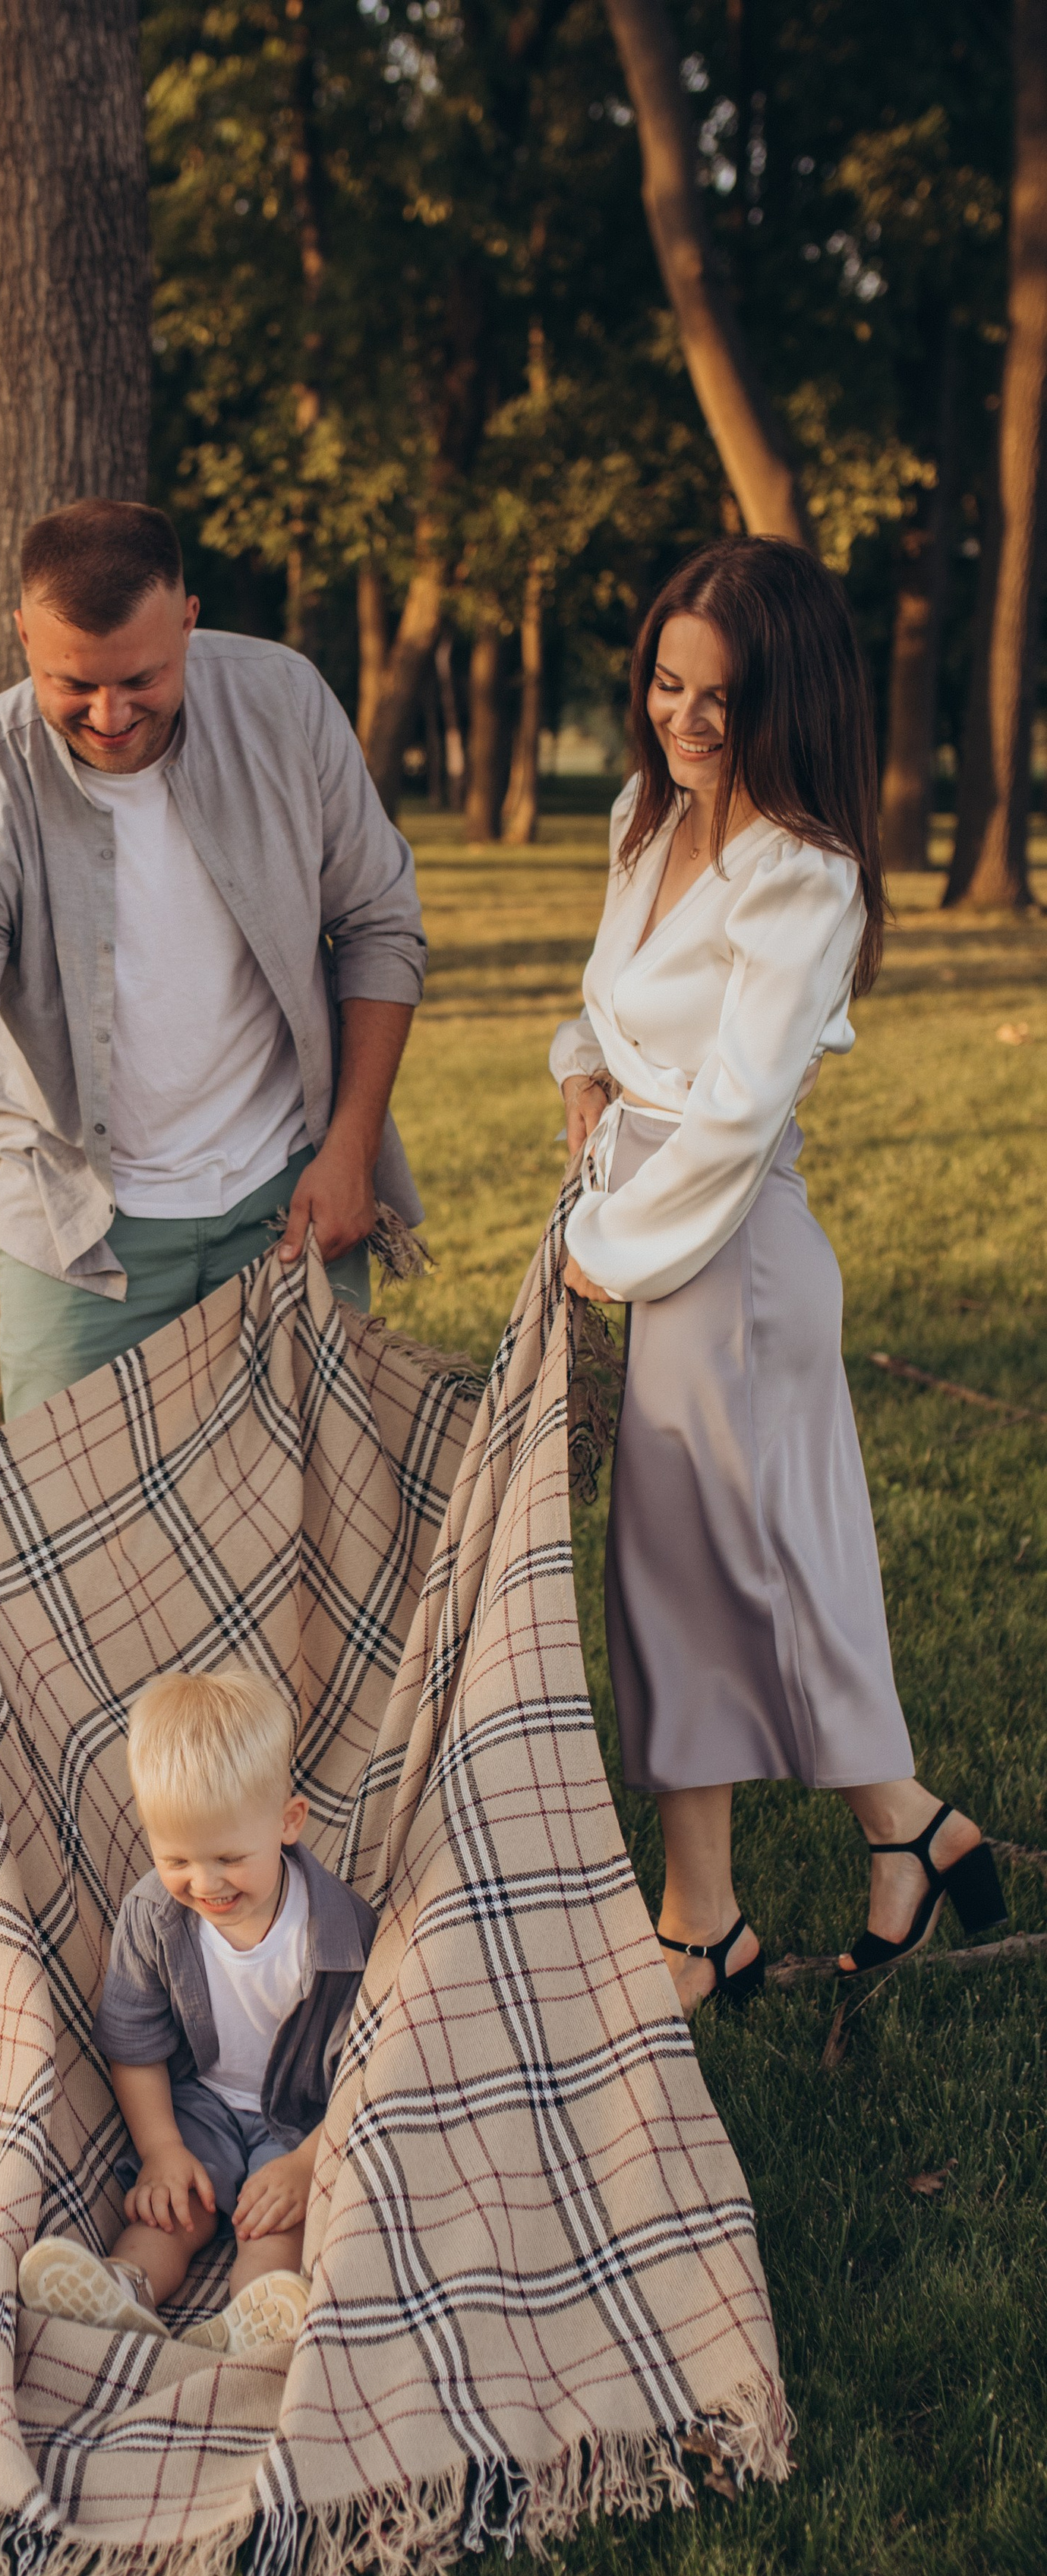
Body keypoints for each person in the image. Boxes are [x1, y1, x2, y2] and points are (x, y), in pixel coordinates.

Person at [551, 538, 1006, 2016]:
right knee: (704, 1571)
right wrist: (581, 1078)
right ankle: (887, 1837)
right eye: (664, 683)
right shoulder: (642, 811)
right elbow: (606, 996)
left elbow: (736, 1118)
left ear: (786, 700)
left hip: (724, 1253)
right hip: (645, 1217)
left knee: (715, 1573)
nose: (682, 719)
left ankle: (713, 1919)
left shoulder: (800, 874)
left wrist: (601, 1248)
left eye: (719, 698)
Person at [0, 499, 427, 1488]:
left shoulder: (285, 705)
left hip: (286, 1204)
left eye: (143, 679)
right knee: (89, 1587)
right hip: (79, 1239)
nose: (111, 717)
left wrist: (351, 1147)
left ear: (190, 620)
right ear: (23, 635)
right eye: (73, 684)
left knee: (319, 1555)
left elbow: (379, 925)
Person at [17, 1669, 374, 2354]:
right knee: (169, 2210)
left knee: (275, 2225)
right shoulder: (153, 1917)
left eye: (229, 1858)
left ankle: (257, 2315)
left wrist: (304, 2165)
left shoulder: (341, 1932)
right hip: (198, 2105)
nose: (204, 1884)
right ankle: (123, 2289)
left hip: (299, 2119)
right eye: (175, 1856)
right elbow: (134, 2043)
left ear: (287, 1823)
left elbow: (366, 2065)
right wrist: (162, 2150)